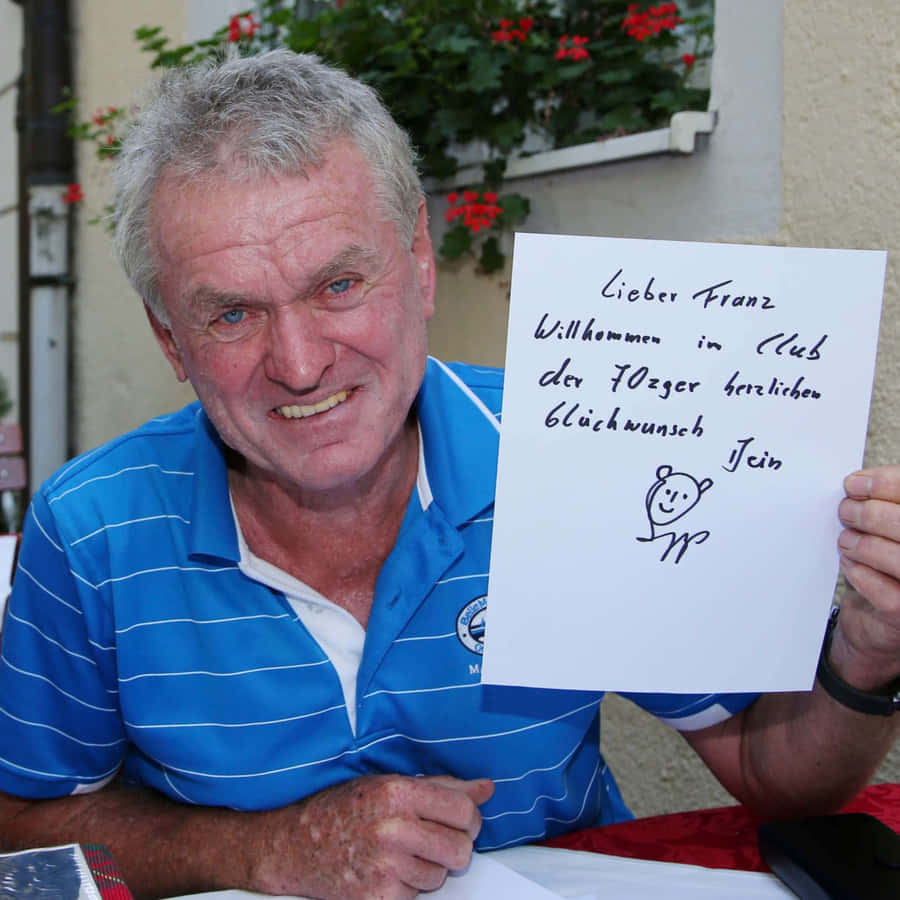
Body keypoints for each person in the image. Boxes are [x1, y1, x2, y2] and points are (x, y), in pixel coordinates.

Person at [0, 49, 898, 900]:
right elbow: (19, 823)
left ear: (421, 265)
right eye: (232, 314)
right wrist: (268, 848)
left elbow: (775, 777)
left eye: (339, 285)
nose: (302, 363)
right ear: (171, 341)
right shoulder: (93, 530)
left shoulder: (577, 449)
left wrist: (868, 652)